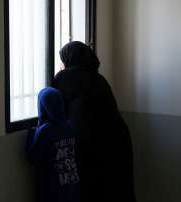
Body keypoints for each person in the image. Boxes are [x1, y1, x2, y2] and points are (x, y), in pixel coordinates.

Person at [52, 41, 136, 202]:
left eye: (62, 61)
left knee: (92, 191)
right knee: (116, 190)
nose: (61, 65)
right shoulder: (99, 79)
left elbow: (52, 105)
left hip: (90, 145)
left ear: (70, 59)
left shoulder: (64, 79)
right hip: (118, 142)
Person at [27, 87, 82, 202]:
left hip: (52, 190)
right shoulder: (69, 126)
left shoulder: (45, 131)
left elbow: (33, 157)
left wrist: (31, 134)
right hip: (73, 185)